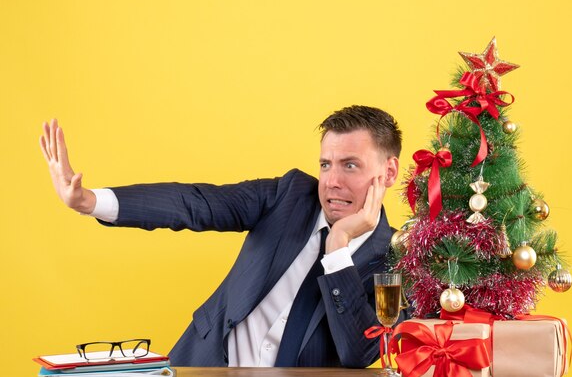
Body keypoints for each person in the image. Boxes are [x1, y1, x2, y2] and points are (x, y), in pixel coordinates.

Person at [40, 105, 405, 368]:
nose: (332, 181)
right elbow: (196, 203)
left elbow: (360, 352)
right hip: (204, 365)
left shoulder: (398, 260)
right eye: (326, 164)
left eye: (350, 165)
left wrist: (337, 248)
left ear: (388, 172)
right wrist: (90, 201)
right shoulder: (289, 196)